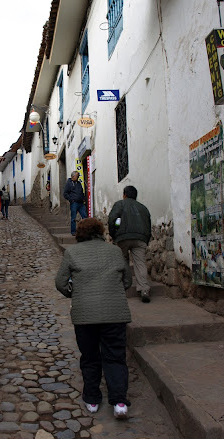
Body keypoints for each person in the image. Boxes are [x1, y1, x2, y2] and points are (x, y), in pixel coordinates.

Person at [55, 218, 132, 418]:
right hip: (114, 313)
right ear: (100, 231)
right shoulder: (115, 251)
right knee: (115, 356)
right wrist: (114, 291)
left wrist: (75, 293)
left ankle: (92, 399)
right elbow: (127, 280)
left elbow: (60, 282)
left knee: (90, 357)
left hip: (84, 315)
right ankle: (120, 402)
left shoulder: (72, 252)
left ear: (80, 233)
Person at [108, 185, 152, 303]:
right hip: (140, 238)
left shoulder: (120, 205)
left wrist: (114, 233)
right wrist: (146, 238)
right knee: (140, 263)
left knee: (123, 260)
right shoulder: (143, 208)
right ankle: (144, 290)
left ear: (124, 195)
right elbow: (148, 224)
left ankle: (124, 285)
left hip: (123, 237)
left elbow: (114, 219)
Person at [63, 171, 87, 235]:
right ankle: (73, 231)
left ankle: (86, 231)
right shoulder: (69, 183)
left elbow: (81, 192)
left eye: (78, 176)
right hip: (74, 203)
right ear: (73, 176)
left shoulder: (79, 183)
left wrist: (83, 198)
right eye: (77, 176)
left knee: (85, 217)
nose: (78, 177)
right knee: (73, 218)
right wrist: (71, 199)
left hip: (81, 203)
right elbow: (65, 193)